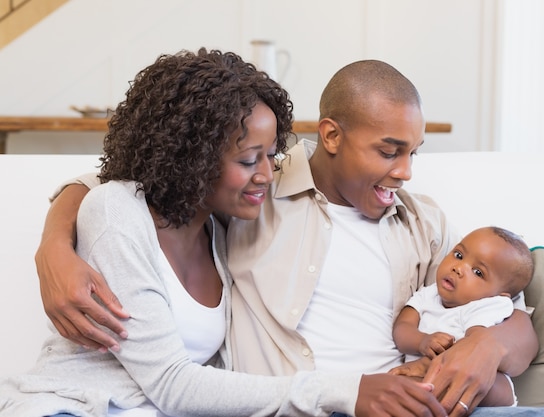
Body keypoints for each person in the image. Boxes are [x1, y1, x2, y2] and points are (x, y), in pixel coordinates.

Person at [33, 57, 544, 417]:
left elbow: (501, 306)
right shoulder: (251, 201)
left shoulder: (424, 223)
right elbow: (120, 187)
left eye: (415, 153)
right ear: (332, 136)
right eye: (390, 151)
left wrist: (487, 346)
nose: (406, 171)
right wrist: (55, 246)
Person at [0, 49, 443, 417]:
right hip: (73, 407)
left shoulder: (220, 231)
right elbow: (172, 383)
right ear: (191, 157)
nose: (269, 175)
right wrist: (54, 245)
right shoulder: (121, 212)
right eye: (251, 160)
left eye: (272, 156)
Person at [391, 226, 535, 408]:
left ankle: (429, 372)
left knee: (497, 386)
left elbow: (474, 343)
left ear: (499, 295)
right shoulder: (428, 294)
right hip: (430, 382)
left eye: (478, 272)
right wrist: (422, 341)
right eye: (459, 255)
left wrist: (432, 362)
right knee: (404, 385)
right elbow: (402, 328)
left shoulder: (487, 305)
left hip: (479, 387)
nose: (458, 268)